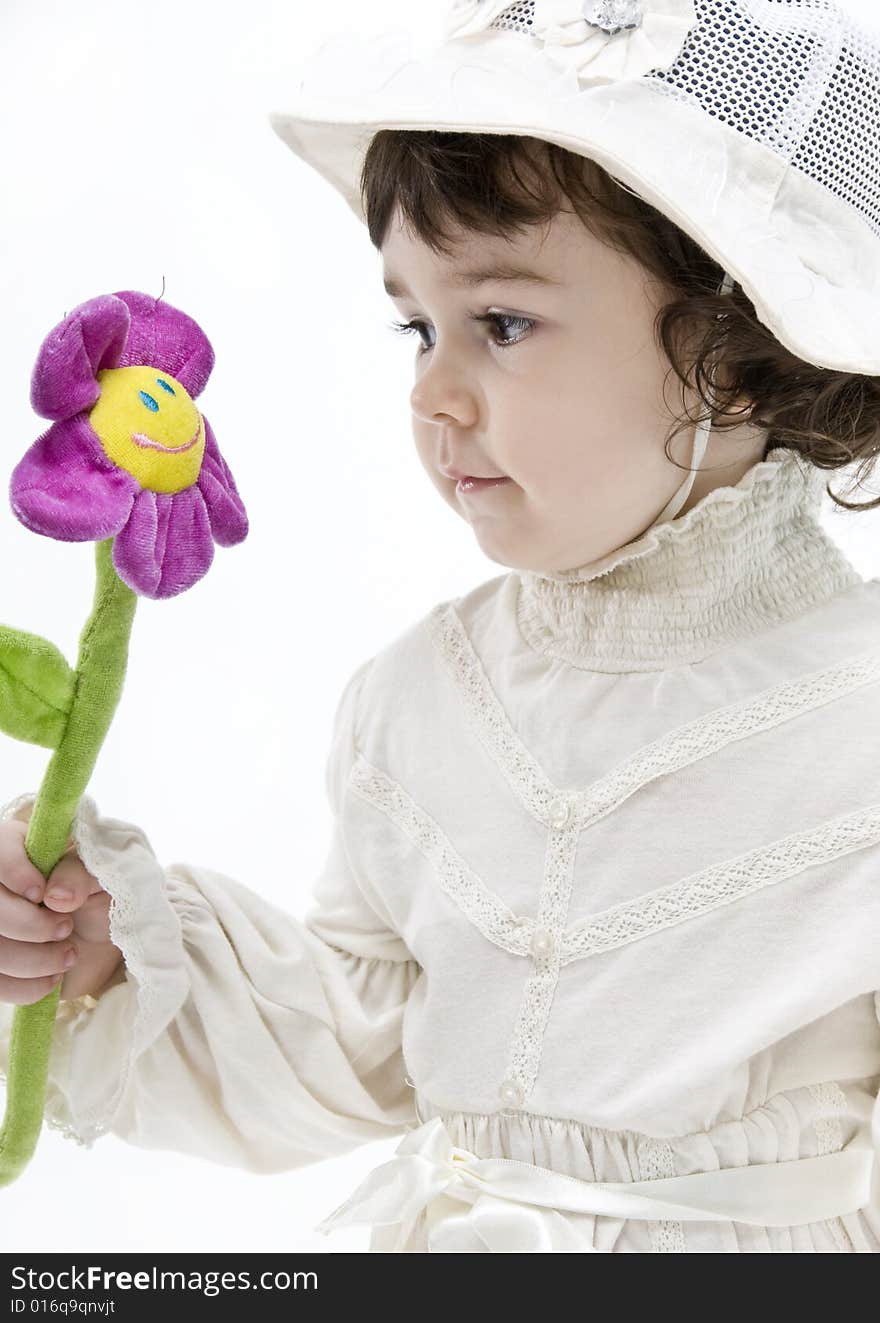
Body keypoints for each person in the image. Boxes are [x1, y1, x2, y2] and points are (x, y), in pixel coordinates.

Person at [1, 0, 880, 1251]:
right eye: (416, 324)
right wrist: (110, 952)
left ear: (735, 352)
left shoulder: (857, 719)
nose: (429, 390)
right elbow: (367, 1039)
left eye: (502, 323)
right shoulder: (425, 697)